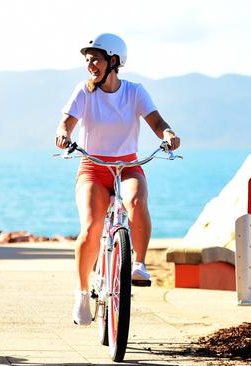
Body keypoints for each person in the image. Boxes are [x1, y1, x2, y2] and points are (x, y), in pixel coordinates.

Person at [54, 33, 180, 326]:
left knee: (136, 201)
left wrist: (168, 134)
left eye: (95, 59)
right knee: (91, 227)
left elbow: (157, 122)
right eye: (87, 60)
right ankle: (83, 293)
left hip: (128, 165)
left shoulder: (135, 92)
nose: (90, 65)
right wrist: (63, 134)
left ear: (114, 61)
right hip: (93, 166)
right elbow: (66, 123)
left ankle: (138, 264)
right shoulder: (83, 92)